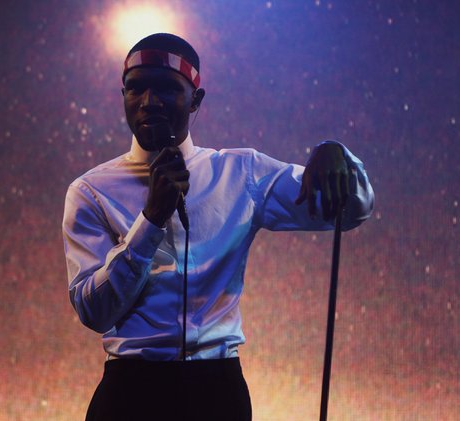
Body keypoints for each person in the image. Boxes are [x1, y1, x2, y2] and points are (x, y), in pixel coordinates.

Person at [62, 33, 374, 421]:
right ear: (123, 95)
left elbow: (350, 211)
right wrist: (151, 220)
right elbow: (94, 312)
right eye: (136, 88)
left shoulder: (240, 173)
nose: (149, 101)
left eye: (166, 88)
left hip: (217, 389)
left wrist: (337, 155)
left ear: (195, 99)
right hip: (130, 391)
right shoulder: (91, 190)